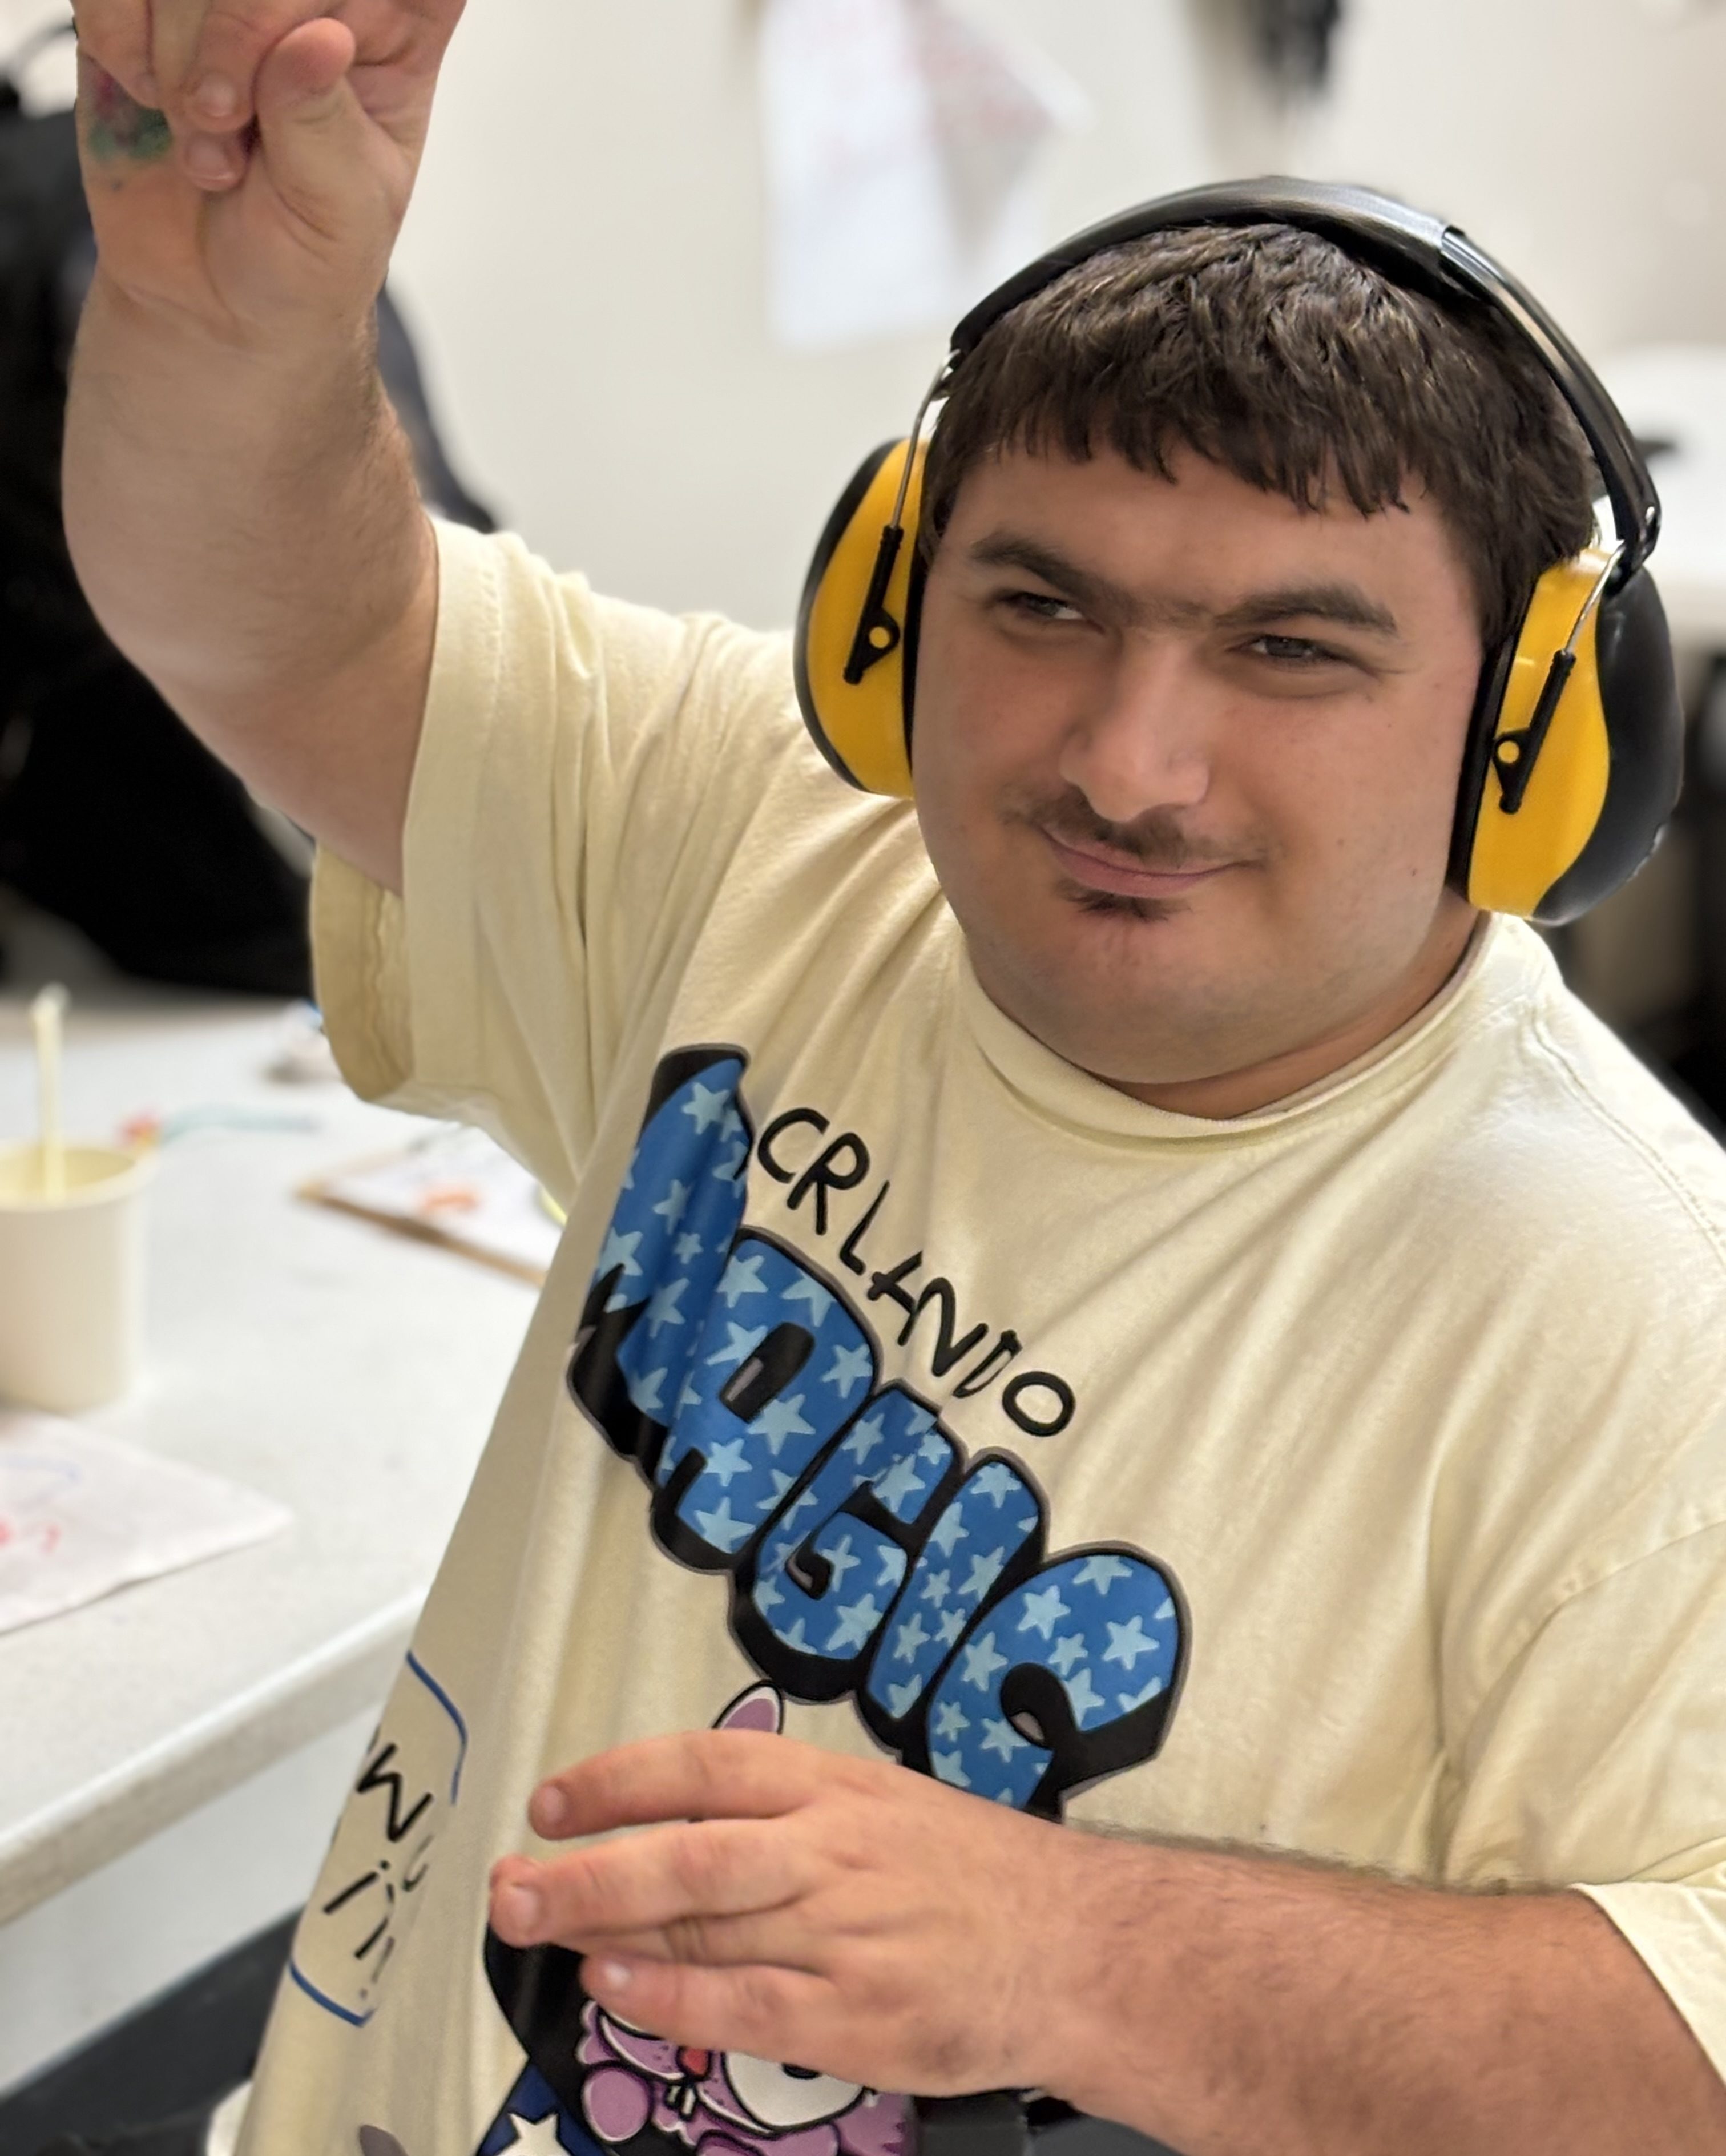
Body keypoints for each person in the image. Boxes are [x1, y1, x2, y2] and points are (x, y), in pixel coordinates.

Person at [58, 3, 1726, 2153]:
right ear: (886, 613)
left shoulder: (1645, 1324)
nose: (1129, 762)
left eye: (1292, 650)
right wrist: (233, 310)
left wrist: (1068, 1949)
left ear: (1533, 744)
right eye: (1038, 602)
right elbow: (277, 623)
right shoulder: (757, 827)